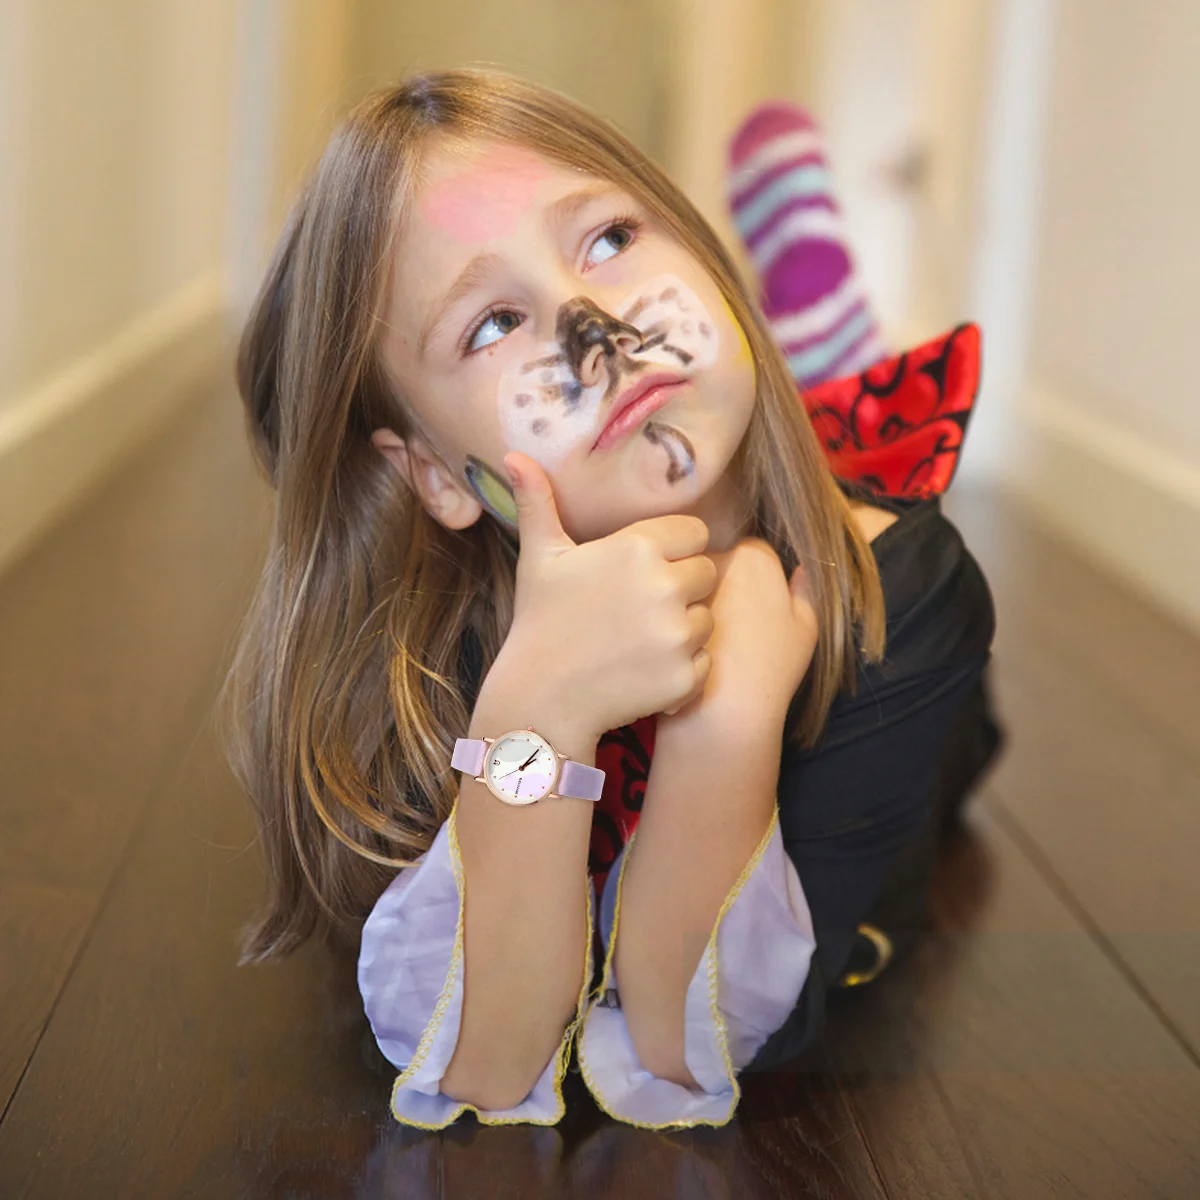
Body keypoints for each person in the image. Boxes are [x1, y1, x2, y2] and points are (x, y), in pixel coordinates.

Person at [220, 69, 998, 1132]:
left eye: (609, 239)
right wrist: (537, 709)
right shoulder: (432, 649)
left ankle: (821, 347)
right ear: (440, 478)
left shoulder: (909, 591)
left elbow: (691, 1046)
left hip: (900, 705)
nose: (598, 325)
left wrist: (727, 726)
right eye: (493, 324)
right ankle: (819, 355)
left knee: (946, 722)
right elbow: (491, 1062)